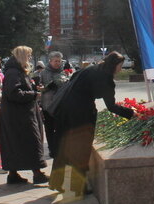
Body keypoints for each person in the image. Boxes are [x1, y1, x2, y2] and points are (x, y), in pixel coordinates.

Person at [48, 51, 134, 196]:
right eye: (120, 65)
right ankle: (78, 188)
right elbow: (111, 106)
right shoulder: (106, 78)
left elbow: (74, 79)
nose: (120, 68)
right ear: (114, 65)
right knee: (81, 149)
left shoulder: (92, 68)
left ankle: (56, 182)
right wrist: (131, 113)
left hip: (64, 110)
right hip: (80, 114)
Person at [0, 46, 48, 185]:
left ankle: (13, 174)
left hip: (17, 115)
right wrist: (33, 94)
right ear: (22, 56)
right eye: (29, 55)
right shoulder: (14, 72)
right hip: (20, 116)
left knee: (15, 145)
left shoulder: (15, 71)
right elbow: (14, 93)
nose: (30, 58)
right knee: (31, 142)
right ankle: (37, 173)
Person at [39, 51, 70, 158]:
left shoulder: (64, 72)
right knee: (49, 128)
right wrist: (48, 87)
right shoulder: (43, 73)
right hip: (47, 105)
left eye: (59, 61)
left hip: (61, 105)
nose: (57, 63)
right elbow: (39, 87)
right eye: (55, 61)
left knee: (61, 128)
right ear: (50, 61)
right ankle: (52, 149)